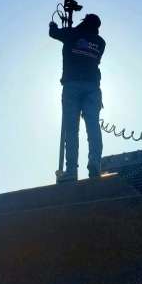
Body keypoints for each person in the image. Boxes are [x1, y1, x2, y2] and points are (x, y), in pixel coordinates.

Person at [49, 13, 106, 183]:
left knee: (72, 130)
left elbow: (54, 33)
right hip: (92, 87)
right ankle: (95, 160)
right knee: (93, 126)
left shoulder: (72, 34)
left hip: (72, 86)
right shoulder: (101, 43)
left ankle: (71, 170)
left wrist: (53, 25)